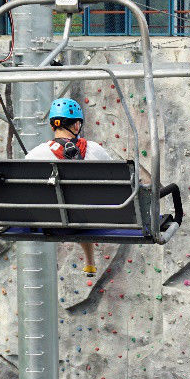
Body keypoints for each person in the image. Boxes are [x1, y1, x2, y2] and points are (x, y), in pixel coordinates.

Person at [24, 97, 118, 277]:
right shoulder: (94, 150)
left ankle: (90, 261)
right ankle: (90, 261)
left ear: (53, 126)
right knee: (81, 205)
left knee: (69, 205)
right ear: (77, 126)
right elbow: (114, 180)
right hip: (90, 219)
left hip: (52, 223)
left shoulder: (35, 155)